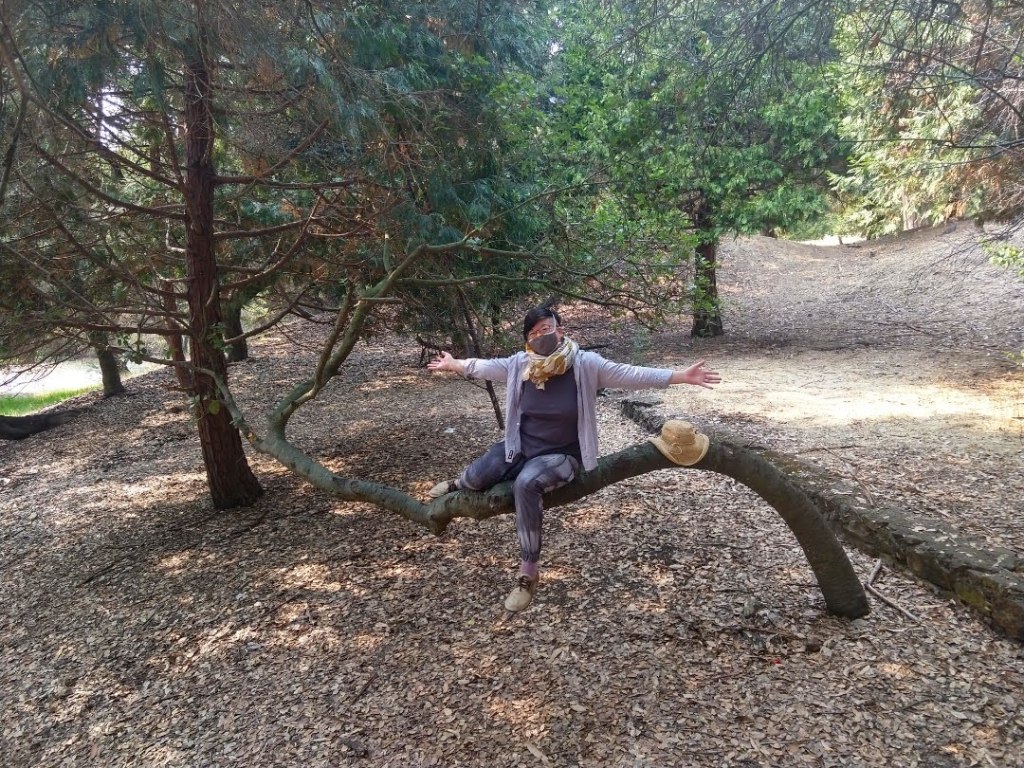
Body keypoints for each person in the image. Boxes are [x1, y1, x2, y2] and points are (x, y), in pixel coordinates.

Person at [427, 305, 721, 612]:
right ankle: (455, 484)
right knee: (477, 476)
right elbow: (484, 366)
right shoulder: (520, 364)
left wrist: (679, 376)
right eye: (534, 332)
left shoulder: (584, 365)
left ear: (560, 330)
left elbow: (629, 374)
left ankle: (528, 572)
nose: (541, 335)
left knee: (525, 485)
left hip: (562, 454)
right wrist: (454, 363)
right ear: (527, 339)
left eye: (546, 328)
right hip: (523, 445)